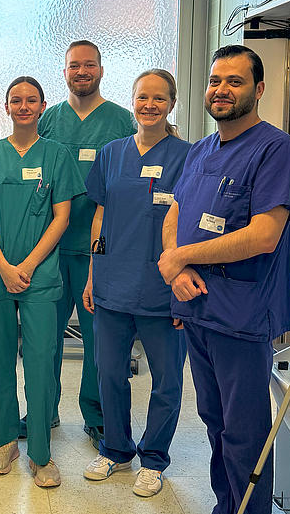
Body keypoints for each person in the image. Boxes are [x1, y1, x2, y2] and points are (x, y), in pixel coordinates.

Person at [158, 45, 290, 514]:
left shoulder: (276, 149)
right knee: (214, 422)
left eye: (235, 81)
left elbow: (263, 235)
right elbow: (176, 211)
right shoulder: (201, 149)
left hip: (241, 315)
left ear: (258, 90)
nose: (221, 89)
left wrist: (180, 257)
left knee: (244, 433)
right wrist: (176, 267)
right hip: (198, 308)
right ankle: (227, 506)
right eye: (215, 80)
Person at [0, 76, 84, 488]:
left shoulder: (57, 155)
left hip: (40, 274)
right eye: (17, 100)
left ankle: (41, 454)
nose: (24, 106)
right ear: (7, 107)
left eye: (32, 100)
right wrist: (3, 266)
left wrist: (27, 266)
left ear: (43, 106)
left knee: (40, 362)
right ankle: (3, 442)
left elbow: (62, 217)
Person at [81, 69, 189, 497]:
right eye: (143, 97)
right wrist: (93, 273)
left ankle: (155, 459)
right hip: (112, 281)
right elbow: (100, 215)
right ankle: (116, 449)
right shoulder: (112, 153)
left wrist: (184, 282)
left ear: (171, 104)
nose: (150, 105)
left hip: (163, 286)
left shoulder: (188, 156)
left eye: (159, 98)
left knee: (167, 380)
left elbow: (192, 224)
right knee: (109, 372)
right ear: (132, 100)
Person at [20, 40, 135, 444]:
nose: (81, 72)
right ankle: (42, 410)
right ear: (64, 72)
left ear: (101, 70)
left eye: (88, 65)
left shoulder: (122, 121)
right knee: (43, 338)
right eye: (74, 66)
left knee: (99, 340)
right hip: (50, 248)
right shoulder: (48, 119)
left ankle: (97, 414)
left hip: (98, 251)